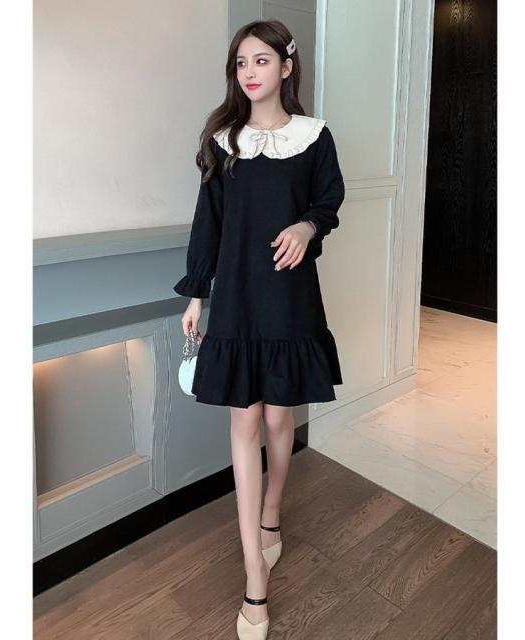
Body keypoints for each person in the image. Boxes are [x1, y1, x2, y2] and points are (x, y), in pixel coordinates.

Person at [173, 19, 345, 639]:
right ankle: (254, 577)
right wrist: (198, 294)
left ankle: (273, 511)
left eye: (262, 60)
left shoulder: (314, 136)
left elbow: (329, 200)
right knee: (244, 424)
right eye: (241, 62)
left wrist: (306, 226)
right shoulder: (224, 142)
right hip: (237, 301)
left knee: (278, 420)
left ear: (286, 67)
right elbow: (208, 224)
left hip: (290, 300)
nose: (249, 72)